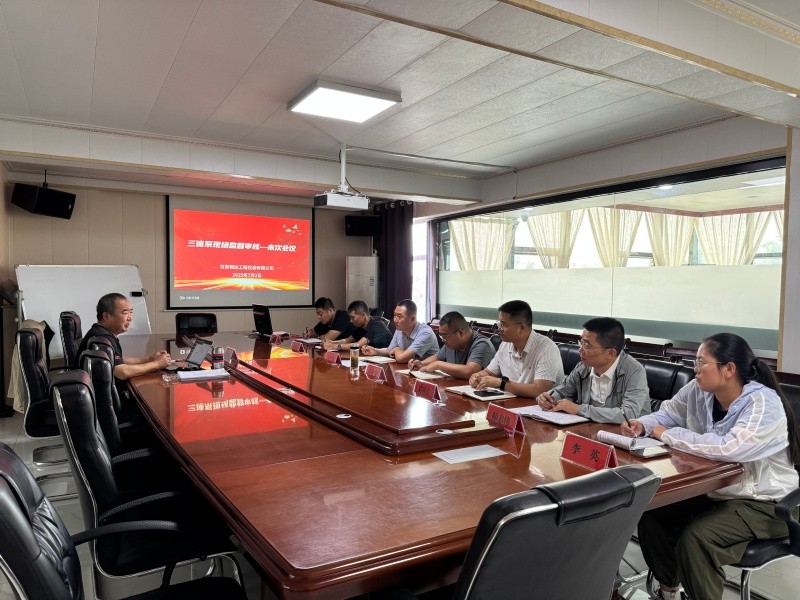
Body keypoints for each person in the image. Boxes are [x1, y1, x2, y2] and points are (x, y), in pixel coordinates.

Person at [621, 333, 800, 600]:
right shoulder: (698, 390)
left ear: (729, 369)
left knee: (696, 539)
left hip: (766, 503)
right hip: (716, 491)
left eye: (701, 362)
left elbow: (730, 448)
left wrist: (667, 434)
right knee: (653, 515)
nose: (695, 368)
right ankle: (669, 592)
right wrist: (643, 424)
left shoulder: (763, 404)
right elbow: (667, 413)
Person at [535, 317, 649, 423]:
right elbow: (562, 391)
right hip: (588, 428)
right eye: (581, 342)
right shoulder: (583, 367)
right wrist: (548, 398)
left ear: (610, 353)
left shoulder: (634, 371)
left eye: (587, 345)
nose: (580, 349)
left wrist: (579, 409)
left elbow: (628, 414)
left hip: (626, 433)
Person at [468, 300, 563, 398]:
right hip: (511, 401)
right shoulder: (505, 345)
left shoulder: (547, 349)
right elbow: (489, 372)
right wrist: (478, 376)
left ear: (522, 328)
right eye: (499, 324)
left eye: (503, 325)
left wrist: (502, 383)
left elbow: (539, 390)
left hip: (538, 405)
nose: (499, 329)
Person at [76, 293, 172, 383]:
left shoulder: (101, 332)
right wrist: (157, 364)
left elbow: (118, 360)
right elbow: (122, 372)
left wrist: (149, 359)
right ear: (106, 316)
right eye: (125, 313)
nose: (130, 318)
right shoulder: (101, 339)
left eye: (131, 312)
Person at [407, 311, 495, 379]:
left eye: (445, 336)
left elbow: (469, 371)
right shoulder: (450, 343)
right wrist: (420, 363)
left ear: (460, 333)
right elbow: (436, 357)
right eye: (441, 336)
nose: (443, 340)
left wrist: (438, 365)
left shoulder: (482, 344)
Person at [362, 299, 438, 363]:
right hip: (408, 369)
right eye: (395, 315)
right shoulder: (400, 329)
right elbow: (389, 350)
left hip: (428, 373)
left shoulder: (425, 333)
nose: (395, 320)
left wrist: (396, 349)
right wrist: (375, 351)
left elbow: (402, 358)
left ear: (412, 319)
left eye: (399, 316)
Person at [322, 300, 392, 351]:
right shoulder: (361, 326)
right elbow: (347, 340)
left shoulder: (377, 324)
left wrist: (334, 346)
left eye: (353, 317)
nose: (351, 321)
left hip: (386, 359)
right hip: (371, 356)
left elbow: (357, 345)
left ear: (363, 315)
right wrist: (331, 342)